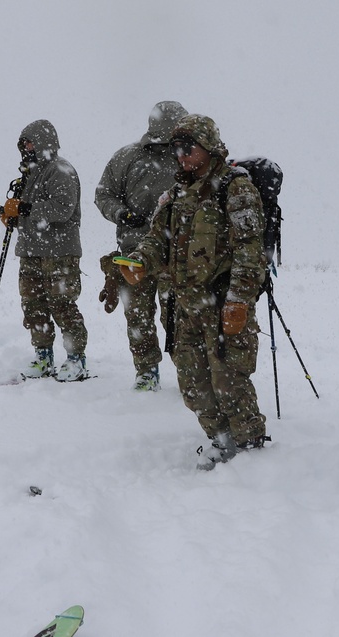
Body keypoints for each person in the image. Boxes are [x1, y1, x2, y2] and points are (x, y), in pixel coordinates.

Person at [120, 114, 269, 469]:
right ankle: (220, 441)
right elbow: (157, 241)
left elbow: (251, 250)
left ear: (208, 147)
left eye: (189, 147)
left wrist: (239, 302)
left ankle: (252, 452)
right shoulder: (174, 196)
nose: (182, 155)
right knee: (193, 384)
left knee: (229, 382)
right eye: (177, 148)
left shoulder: (235, 189)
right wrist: (140, 262)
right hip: (185, 308)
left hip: (221, 305)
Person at [95, 101, 189, 392]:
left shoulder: (188, 159)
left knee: (178, 316)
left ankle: (188, 373)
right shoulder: (127, 157)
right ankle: (146, 371)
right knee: (137, 314)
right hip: (133, 253)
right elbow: (104, 194)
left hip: (177, 255)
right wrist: (122, 213)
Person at [0, 119, 89, 382]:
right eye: (24, 143)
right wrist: (12, 217)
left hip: (59, 252)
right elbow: (30, 211)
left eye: (30, 141)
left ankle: (76, 359)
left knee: (62, 305)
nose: (26, 146)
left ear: (44, 142)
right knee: (33, 305)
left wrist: (25, 210)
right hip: (30, 251)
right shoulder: (29, 174)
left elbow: (63, 208)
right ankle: (43, 356)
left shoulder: (60, 170)